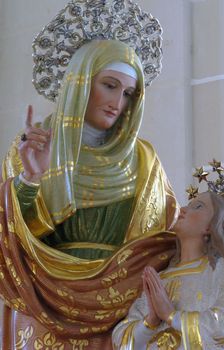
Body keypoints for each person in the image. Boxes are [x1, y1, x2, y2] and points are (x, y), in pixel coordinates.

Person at [0, 39, 179, 349]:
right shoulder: (34, 146)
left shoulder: (143, 160)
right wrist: (31, 178)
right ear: (80, 81)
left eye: (128, 94)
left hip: (123, 308)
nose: (117, 102)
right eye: (109, 85)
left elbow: (165, 244)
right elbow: (13, 238)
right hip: (45, 304)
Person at [112, 192, 224, 349]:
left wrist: (171, 315)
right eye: (188, 204)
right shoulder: (160, 277)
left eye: (198, 206)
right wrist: (150, 321)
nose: (183, 209)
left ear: (211, 225)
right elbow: (120, 338)